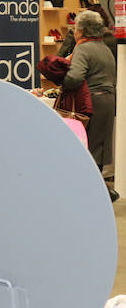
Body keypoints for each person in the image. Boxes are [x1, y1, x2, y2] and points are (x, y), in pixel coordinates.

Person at [62, 10, 117, 200]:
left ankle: (88, 192)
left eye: (75, 28)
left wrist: (61, 77)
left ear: (82, 30)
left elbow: (74, 78)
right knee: (100, 146)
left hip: (92, 101)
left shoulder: (83, 48)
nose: (74, 31)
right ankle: (100, 188)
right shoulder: (104, 48)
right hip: (109, 100)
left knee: (87, 145)